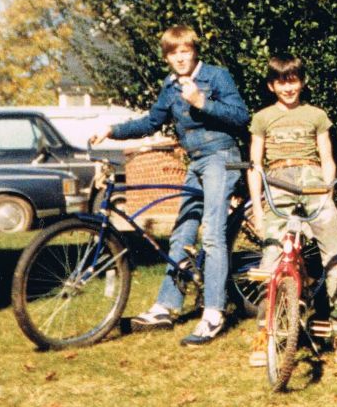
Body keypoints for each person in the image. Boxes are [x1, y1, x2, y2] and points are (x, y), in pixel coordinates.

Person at [91, 24, 250, 346]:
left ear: (194, 51)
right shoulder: (169, 86)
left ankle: (214, 313)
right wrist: (112, 130)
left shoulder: (216, 76)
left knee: (214, 234)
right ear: (166, 56)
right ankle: (166, 305)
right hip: (196, 161)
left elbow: (241, 117)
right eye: (173, 53)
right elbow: (151, 122)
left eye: (185, 51)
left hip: (221, 156)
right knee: (182, 232)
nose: (180, 58)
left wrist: (202, 102)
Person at [246, 55, 337, 365]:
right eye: (282, 81)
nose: (288, 87)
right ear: (271, 85)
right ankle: (266, 331)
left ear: (302, 81)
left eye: (293, 80)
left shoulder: (316, 115)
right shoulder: (262, 118)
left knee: (335, 256)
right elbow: (255, 165)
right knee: (271, 260)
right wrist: (256, 205)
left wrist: (328, 191)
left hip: (312, 180)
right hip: (277, 180)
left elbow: (327, 156)